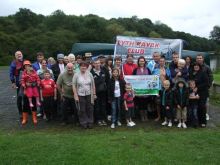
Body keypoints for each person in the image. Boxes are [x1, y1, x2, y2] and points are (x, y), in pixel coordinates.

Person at [72, 61, 96, 129]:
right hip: (80, 94)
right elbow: (73, 85)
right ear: (79, 67)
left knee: (90, 108)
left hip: (89, 94)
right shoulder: (76, 74)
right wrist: (75, 95)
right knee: (81, 109)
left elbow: (93, 84)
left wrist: (94, 93)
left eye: (85, 66)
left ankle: (90, 122)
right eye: (82, 66)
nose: (83, 67)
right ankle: (84, 122)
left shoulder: (90, 74)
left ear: (87, 67)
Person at [91, 59, 109, 126]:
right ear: (93, 64)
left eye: (98, 63)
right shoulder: (91, 72)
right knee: (97, 106)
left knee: (103, 106)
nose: (97, 64)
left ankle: (103, 119)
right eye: (96, 63)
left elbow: (108, 81)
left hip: (103, 92)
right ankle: (98, 120)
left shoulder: (104, 71)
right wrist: (93, 93)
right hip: (95, 93)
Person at [190, 63, 209, 127]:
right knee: (196, 107)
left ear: (199, 67)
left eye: (197, 66)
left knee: (202, 107)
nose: (196, 67)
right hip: (194, 92)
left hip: (203, 92)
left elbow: (207, 83)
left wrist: (197, 88)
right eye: (195, 66)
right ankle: (197, 121)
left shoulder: (203, 73)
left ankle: (203, 122)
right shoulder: (192, 73)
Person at [133, 56, 151, 122]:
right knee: (140, 104)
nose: (141, 62)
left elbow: (151, 79)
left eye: (143, 61)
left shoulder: (148, 69)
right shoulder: (135, 70)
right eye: (140, 61)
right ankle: (142, 116)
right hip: (138, 90)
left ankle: (146, 116)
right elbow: (133, 80)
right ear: (138, 62)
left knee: (145, 103)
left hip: (146, 90)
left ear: (145, 62)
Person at [9, 50, 24, 117]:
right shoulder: (14, 63)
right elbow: (11, 73)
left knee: (28, 96)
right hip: (19, 82)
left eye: (20, 54)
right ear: (15, 56)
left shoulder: (25, 61)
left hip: (27, 82)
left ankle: (29, 110)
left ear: (22, 55)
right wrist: (13, 82)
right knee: (19, 97)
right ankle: (20, 112)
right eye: (17, 54)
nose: (19, 55)